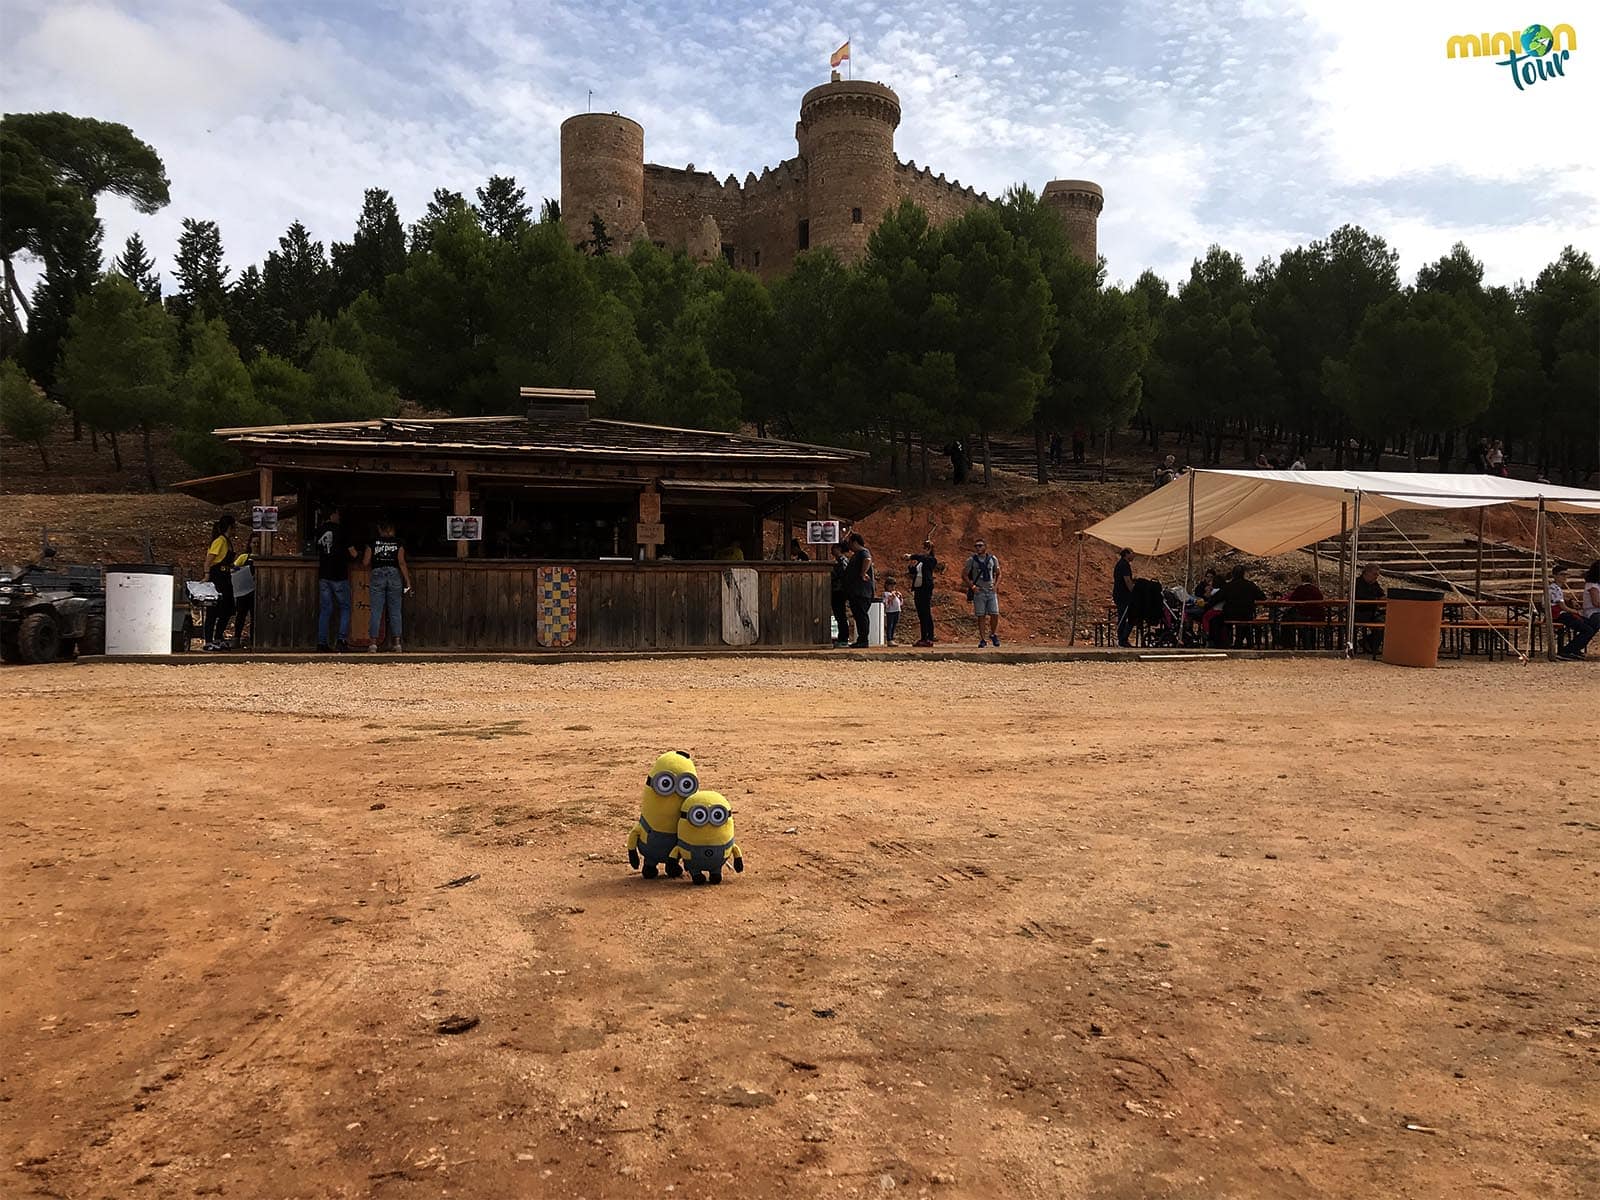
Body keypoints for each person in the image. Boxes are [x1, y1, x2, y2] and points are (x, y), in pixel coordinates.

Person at [363, 518, 413, 652]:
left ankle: (373, 644)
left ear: (379, 529)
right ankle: (397, 643)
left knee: (376, 610)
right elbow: (401, 562)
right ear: (391, 529)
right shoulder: (398, 543)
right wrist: (407, 581)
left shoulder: (372, 543)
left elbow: (366, 562)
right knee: (395, 610)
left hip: (377, 574)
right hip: (394, 575)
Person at [315, 507, 356, 652]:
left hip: (324, 575)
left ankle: (322, 642)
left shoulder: (318, 531)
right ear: (332, 514)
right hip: (339, 574)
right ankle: (341, 640)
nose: (339, 516)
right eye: (337, 514)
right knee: (345, 607)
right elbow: (353, 553)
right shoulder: (342, 531)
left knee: (326, 609)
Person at [1205, 564, 1267, 648]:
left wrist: (1206, 605)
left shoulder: (1228, 586)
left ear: (1233, 574)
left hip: (1229, 615)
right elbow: (1263, 597)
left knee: (1214, 621)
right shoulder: (1250, 585)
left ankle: (1219, 644)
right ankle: (1242, 643)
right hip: (1247, 615)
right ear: (1243, 574)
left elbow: (1216, 599)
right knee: (1244, 624)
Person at [201, 515, 236, 651]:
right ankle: (209, 640)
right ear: (229, 527)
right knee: (213, 609)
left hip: (226, 576)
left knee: (227, 609)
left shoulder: (228, 542)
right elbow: (209, 560)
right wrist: (207, 575)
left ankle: (218, 636)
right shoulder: (220, 541)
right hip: (217, 577)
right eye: (234, 527)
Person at [1550, 566, 1595, 660]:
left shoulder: (1556, 588)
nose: (1564, 577)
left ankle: (1574, 648)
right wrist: (1577, 612)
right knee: (1588, 629)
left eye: (1566, 575)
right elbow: (1563, 607)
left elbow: (1560, 600)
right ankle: (1567, 650)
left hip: (1561, 614)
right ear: (1554, 576)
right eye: (1562, 574)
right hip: (1559, 615)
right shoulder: (1554, 588)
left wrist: (1570, 600)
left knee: (1589, 625)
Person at [964, 538, 1001, 648]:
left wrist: (996, 586)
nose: (978, 548)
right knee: (981, 615)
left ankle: (993, 634)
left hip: (990, 590)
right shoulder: (972, 560)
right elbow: (964, 574)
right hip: (979, 591)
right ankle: (982, 639)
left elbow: (998, 573)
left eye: (980, 545)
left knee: (994, 613)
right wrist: (972, 586)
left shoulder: (992, 559)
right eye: (976, 546)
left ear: (985, 547)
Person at [842, 531, 876, 649]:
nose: (849, 546)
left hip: (862, 591)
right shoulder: (856, 555)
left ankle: (863, 639)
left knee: (861, 615)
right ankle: (861, 639)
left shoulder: (863, 552)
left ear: (855, 542)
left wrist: (863, 573)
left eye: (850, 543)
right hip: (855, 591)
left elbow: (867, 560)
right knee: (858, 615)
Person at [904, 540, 939, 646]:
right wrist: (910, 565)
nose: (924, 550)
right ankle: (923, 636)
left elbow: (924, 559)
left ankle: (929, 636)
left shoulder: (931, 560)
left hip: (926, 588)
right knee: (921, 612)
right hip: (918, 588)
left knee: (926, 612)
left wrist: (912, 556)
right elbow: (915, 571)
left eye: (926, 548)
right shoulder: (921, 561)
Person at [1281, 572, 1326, 648]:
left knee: (1286, 620)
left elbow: (1291, 601)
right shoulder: (1316, 590)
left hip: (1303, 616)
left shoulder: (1300, 589)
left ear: (1301, 579)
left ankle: (1289, 644)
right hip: (1317, 617)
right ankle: (1309, 642)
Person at [229, 535, 257, 648]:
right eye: (254, 542)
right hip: (243, 591)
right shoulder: (244, 557)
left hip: (257, 592)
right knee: (241, 615)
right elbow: (233, 568)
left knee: (255, 617)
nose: (256, 545)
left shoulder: (265, 557)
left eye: (258, 542)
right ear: (250, 544)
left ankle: (253, 640)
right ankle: (236, 638)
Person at [1353, 563, 1385, 653]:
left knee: (1386, 622)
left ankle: (1369, 643)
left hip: (1372, 612)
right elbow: (1360, 597)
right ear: (1366, 573)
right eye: (1375, 574)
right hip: (1359, 613)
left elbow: (1381, 595)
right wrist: (1376, 599)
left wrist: (1382, 598)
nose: (1376, 577)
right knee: (1380, 622)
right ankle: (1370, 645)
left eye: (1377, 575)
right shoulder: (1357, 583)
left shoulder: (1374, 584)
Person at [1112, 547, 1136, 648]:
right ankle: (1123, 638)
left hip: (1119, 594)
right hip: (1123, 595)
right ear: (1126, 554)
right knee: (1128, 617)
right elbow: (1127, 581)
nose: (1134, 555)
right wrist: (1134, 592)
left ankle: (1122, 638)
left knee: (1123, 616)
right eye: (1132, 553)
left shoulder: (1121, 564)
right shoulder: (1124, 565)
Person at [830, 543, 852, 647]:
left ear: (838, 549)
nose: (832, 551)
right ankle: (842, 637)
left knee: (840, 615)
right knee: (839, 615)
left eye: (833, 549)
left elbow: (843, 575)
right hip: (838, 591)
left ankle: (843, 638)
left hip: (839, 591)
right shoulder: (840, 561)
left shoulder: (842, 561)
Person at [882, 575, 904, 646]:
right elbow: (886, 603)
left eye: (893, 586)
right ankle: (889, 639)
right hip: (890, 611)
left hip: (897, 610)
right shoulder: (886, 594)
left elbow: (900, 603)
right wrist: (891, 597)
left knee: (894, 624)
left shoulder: (895, 593)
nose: (892, 588)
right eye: (890, 586)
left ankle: (892, 638)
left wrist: (900, 597)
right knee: (890, 625)